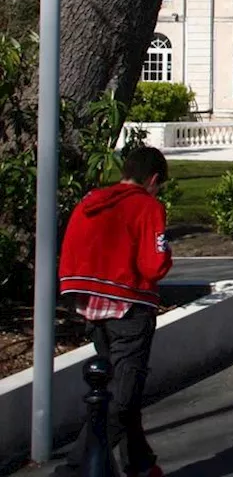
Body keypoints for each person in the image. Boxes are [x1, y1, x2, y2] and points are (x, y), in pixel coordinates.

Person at [56, 147, 173, 477]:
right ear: (153, 180)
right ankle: (73, 469)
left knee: (122, 388)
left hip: (92, 307)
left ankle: (140, 462)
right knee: (122, 399)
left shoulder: (91, 202)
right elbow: (153, 265)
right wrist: (166, 254)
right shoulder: (147, 206)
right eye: (158, 185)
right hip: (129, 308)